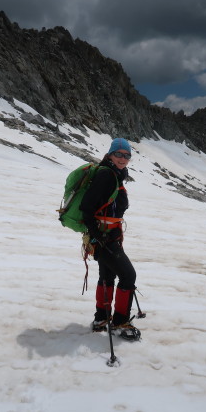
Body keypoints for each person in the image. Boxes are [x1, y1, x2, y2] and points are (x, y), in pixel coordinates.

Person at [79, 137, 140, 341]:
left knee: (107, 277)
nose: (123, 158)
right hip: (103, 238)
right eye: (119, 154)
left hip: (108, 236)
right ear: (110, 154)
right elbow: (86, 208)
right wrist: (97, 234)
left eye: (127, 155)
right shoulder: (106, 175)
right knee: (128, 276)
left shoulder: (115, 174)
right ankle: (120, 322)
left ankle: (101, 319)